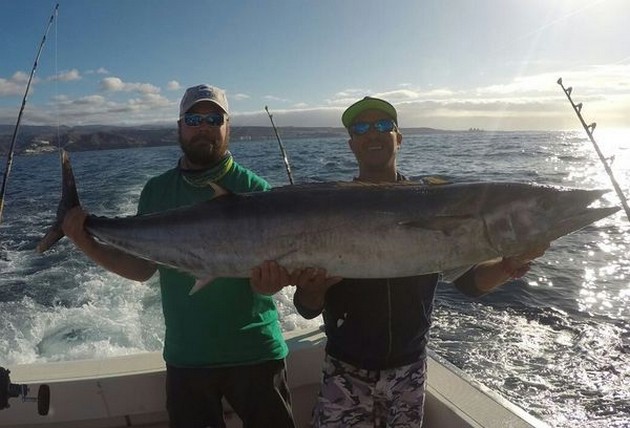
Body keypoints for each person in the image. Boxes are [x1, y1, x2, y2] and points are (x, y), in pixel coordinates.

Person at [251, 96, 548, 428]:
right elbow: (306, 309)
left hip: (410, 371)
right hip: (345, 370)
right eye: (361, 128)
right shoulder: (330, 207)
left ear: (399, 137)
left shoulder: (434, 202)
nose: (373, 134)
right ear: (351, 144)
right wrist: (312, 291)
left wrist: (508, 266)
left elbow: (469, 282)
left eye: (383, 126)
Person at [62, 84, 295, 428]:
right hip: (188, 358)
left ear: (228, 126)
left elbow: (271, 278)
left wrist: (271, 284)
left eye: (213, 118)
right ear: (179, 126)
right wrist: (85, 240)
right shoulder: (156, 191)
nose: (203, 126)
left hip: (256, 353)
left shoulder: (257, 191)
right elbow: (142, 270)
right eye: (193, 118)